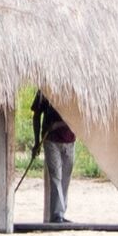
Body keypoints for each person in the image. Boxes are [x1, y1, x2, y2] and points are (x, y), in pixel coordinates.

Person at [36, 96, 75, 225]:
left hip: (69, 141)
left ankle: (61, 213)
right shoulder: (44, 92)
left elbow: (78, 117)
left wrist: (58, 124)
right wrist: (37, 141)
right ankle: (57, 215)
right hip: (51, 140)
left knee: (65, 178)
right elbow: (36, 115)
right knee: (56, 177)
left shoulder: (73, 91)